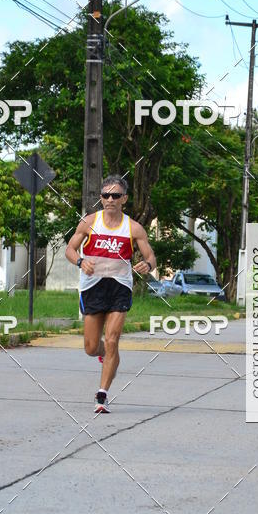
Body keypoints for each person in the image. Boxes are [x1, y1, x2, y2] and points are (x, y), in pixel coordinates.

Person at [65, 176, 156, 413]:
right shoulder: (89, 222)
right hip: (92, 285)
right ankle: (107, 354)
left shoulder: (134, 227)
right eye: (106, 195)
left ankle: (102, 395)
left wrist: (147, 265)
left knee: (113, 338)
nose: (110, 200)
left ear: (124, 199)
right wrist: (80, 262)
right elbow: (70, 249)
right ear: (101, 198)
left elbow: (151, 258)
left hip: (119, 285)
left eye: (115, 195)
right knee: (91, 347)